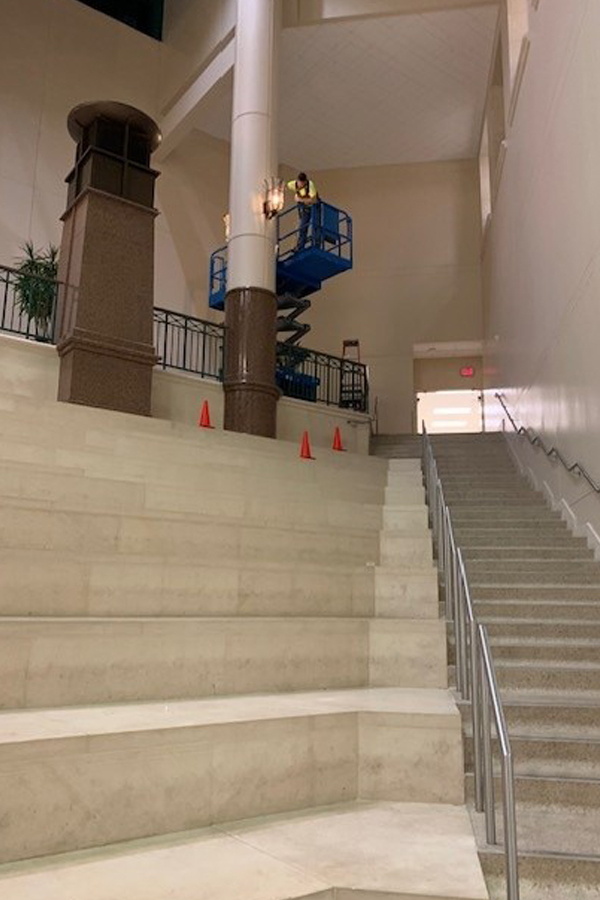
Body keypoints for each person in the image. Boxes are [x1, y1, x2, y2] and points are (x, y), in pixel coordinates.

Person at [287, 172, 319, 251]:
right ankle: (300, 246)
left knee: (316, 225)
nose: (301, 185)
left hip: (315, 207)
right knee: (302, 226)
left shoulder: (310, 185)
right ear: (297, 181)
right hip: (305, 208)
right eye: (300, 183)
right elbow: (286, 185)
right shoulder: (292, 184)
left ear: (305, 181)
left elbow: (313, 200)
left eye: (303, 183)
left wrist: (300, 199)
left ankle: (316, 242)